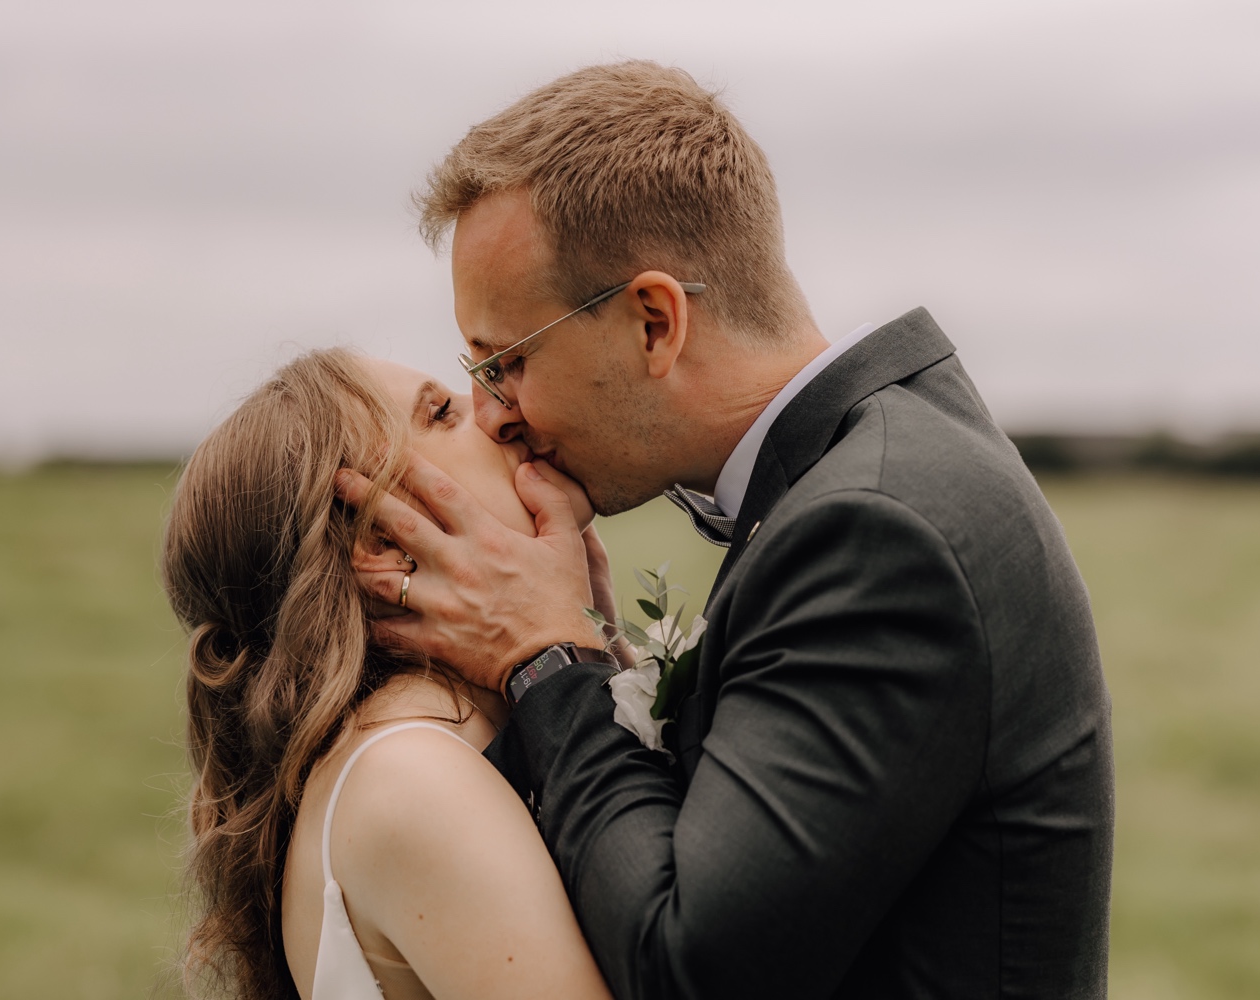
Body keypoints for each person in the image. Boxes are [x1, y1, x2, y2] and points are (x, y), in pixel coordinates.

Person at [339, 61, 1115, 998]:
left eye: (503, 363)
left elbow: (693, 970)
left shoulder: (876, 532)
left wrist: (547, 660)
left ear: (655, 322)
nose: (493, 414)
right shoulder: (859, 476)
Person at [160, 348, 614, 1000]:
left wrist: (586, 654)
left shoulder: (433, 747)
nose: (499, 414)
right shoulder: (409, 778)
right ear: (382, 542)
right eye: (442, 412)